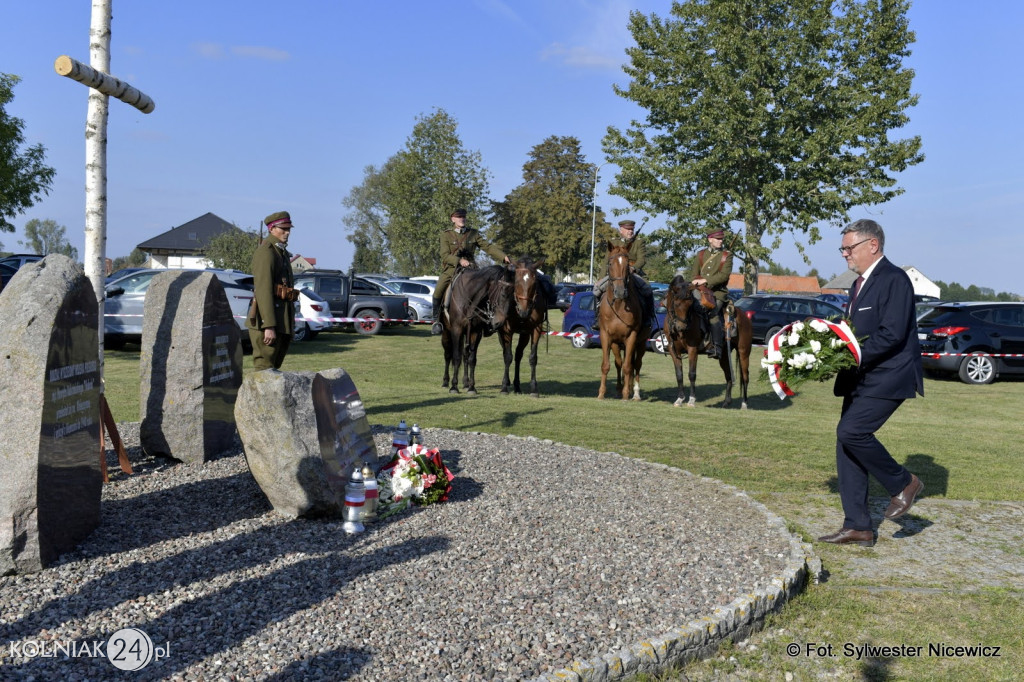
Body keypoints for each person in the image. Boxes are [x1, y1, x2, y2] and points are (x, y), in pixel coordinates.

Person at [819, 219, 924, 547]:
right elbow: (855, 330)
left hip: (890, 375)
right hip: (861, 377)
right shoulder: (857, 284)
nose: (845, 255)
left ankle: (904, 483)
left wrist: (850, 353)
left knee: (851, 432)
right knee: (846, 443)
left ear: (872, 245)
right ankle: (859, 526)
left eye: (848, 248)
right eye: (843, 249)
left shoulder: (895, 280)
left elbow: (892, 335)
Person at [431, 208, 510, 335]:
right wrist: (459, 260)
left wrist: (504, 257)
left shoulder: (473, 233)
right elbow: (444, 255)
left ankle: (487, 321)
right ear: (453, 219)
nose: (462, 219)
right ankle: (437, 321)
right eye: (459, 217)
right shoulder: (445, 234)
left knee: (488, 288)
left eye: (463, 217)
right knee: (438, 290)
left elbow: (487, 247)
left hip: (472, 269)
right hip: (453, 269)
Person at [247, 211, 297, 370]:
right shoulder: (266, 252)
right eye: (283, 228)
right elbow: (263, 291)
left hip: (280, 321)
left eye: (289, 228)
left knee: (273, 371)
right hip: (268, 323)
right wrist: (269, 326)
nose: (287, 232)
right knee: (264, 371)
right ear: (271, 229)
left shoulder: (280, 252)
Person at [592, 219, 655, 328]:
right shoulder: (614, 242)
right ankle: (597, 318)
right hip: (615, 274)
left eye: (632, 229)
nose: (630, 231)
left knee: (647, 290)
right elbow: (606, 262)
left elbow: (642, 260)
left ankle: (647, 318)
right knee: (597, 290)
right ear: (621, 230)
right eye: (628, 229)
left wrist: (633, 268)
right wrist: (601, 278)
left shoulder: (639, 242)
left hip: (633, 272)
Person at [689, 227, 734, 359]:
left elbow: (724, 276)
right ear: (710, 239)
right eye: (718, 239)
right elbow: (694, 274)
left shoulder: (727, 255)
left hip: (717, 293)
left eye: (721, 239)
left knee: (712, 313)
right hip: (700, 291)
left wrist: (705, 281)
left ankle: (716, 348)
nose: (720, 241)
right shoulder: (701, 254)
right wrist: (696, 282)